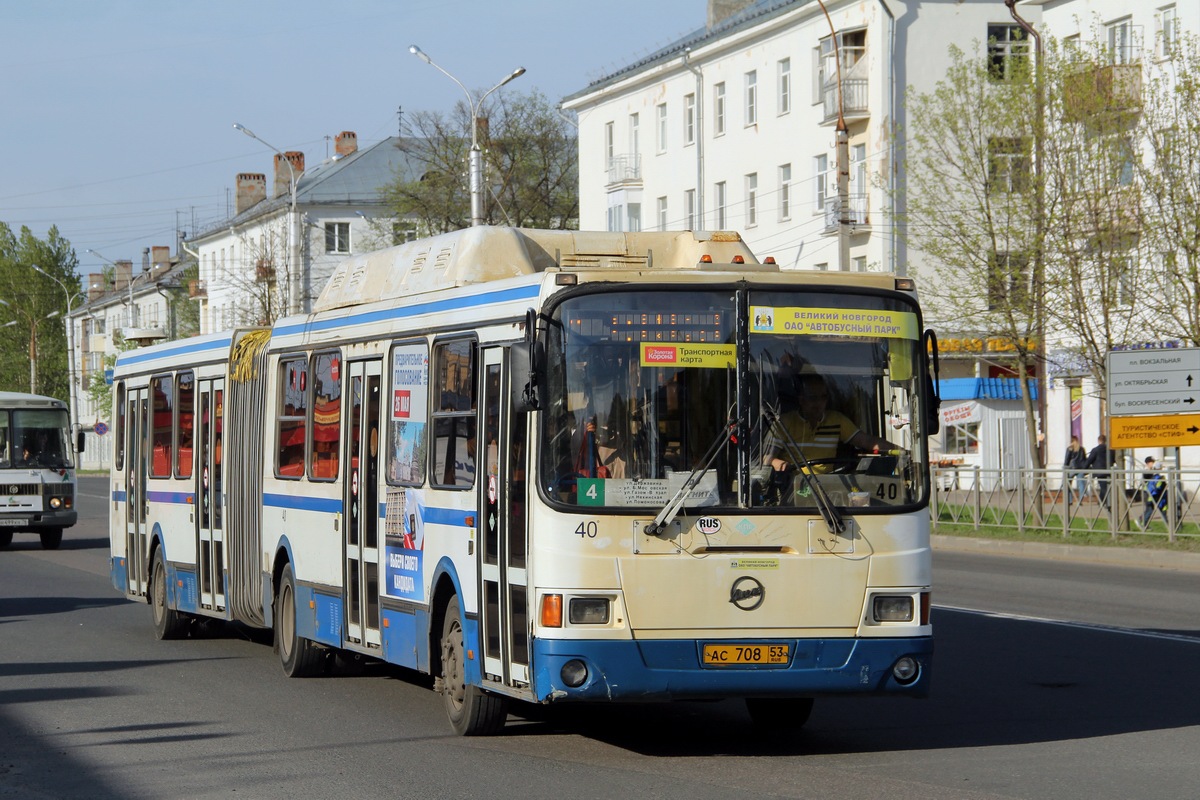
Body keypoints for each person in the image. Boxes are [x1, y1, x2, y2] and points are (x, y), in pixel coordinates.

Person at [767, 373, 893, 473]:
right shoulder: (783, 422)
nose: (819, 403)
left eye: (823, 397)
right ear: (801, 400)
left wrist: (899, 451)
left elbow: (867, 441)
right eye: (813, 398)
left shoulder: (836, 420)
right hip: (790, 488)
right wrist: (776, 462)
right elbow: (766, 457)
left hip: (828, 486)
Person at [1139, 455, 1170, 529]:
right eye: (1152, 462)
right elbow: (1148, 478)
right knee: (1150, 509)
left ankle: (1141, 520)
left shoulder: (1152, 471)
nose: (1153, 463)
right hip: (1148, 493)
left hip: (1153, 493)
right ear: (1148, 463)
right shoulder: (1146, 471)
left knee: (1150, 509)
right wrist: (1154, 470)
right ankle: (1143, 523)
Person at [1085, 435, 1113, 510]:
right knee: (1106, 486)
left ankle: (1102, 502)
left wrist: (1084, 468)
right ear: (1105, 440)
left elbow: (1089, 460)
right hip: (1109, 470)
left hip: (1099, 471)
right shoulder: (1110, 449)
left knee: (1104, 487)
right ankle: (1104, 502)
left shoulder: (1095, 450)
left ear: (1099, 441)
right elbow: (1113, 459)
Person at [1063, 435, 1088, 504]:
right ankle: (1080, 500)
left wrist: (1065, 467)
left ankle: (1070, 500)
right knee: (1081, 485)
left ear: (1072, 442)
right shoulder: (1082, 449)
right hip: (1080, 469)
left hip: (1071, 469)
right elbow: (1084, 459)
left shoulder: (1069, 449)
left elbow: (1067, 460)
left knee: (1068, 484)